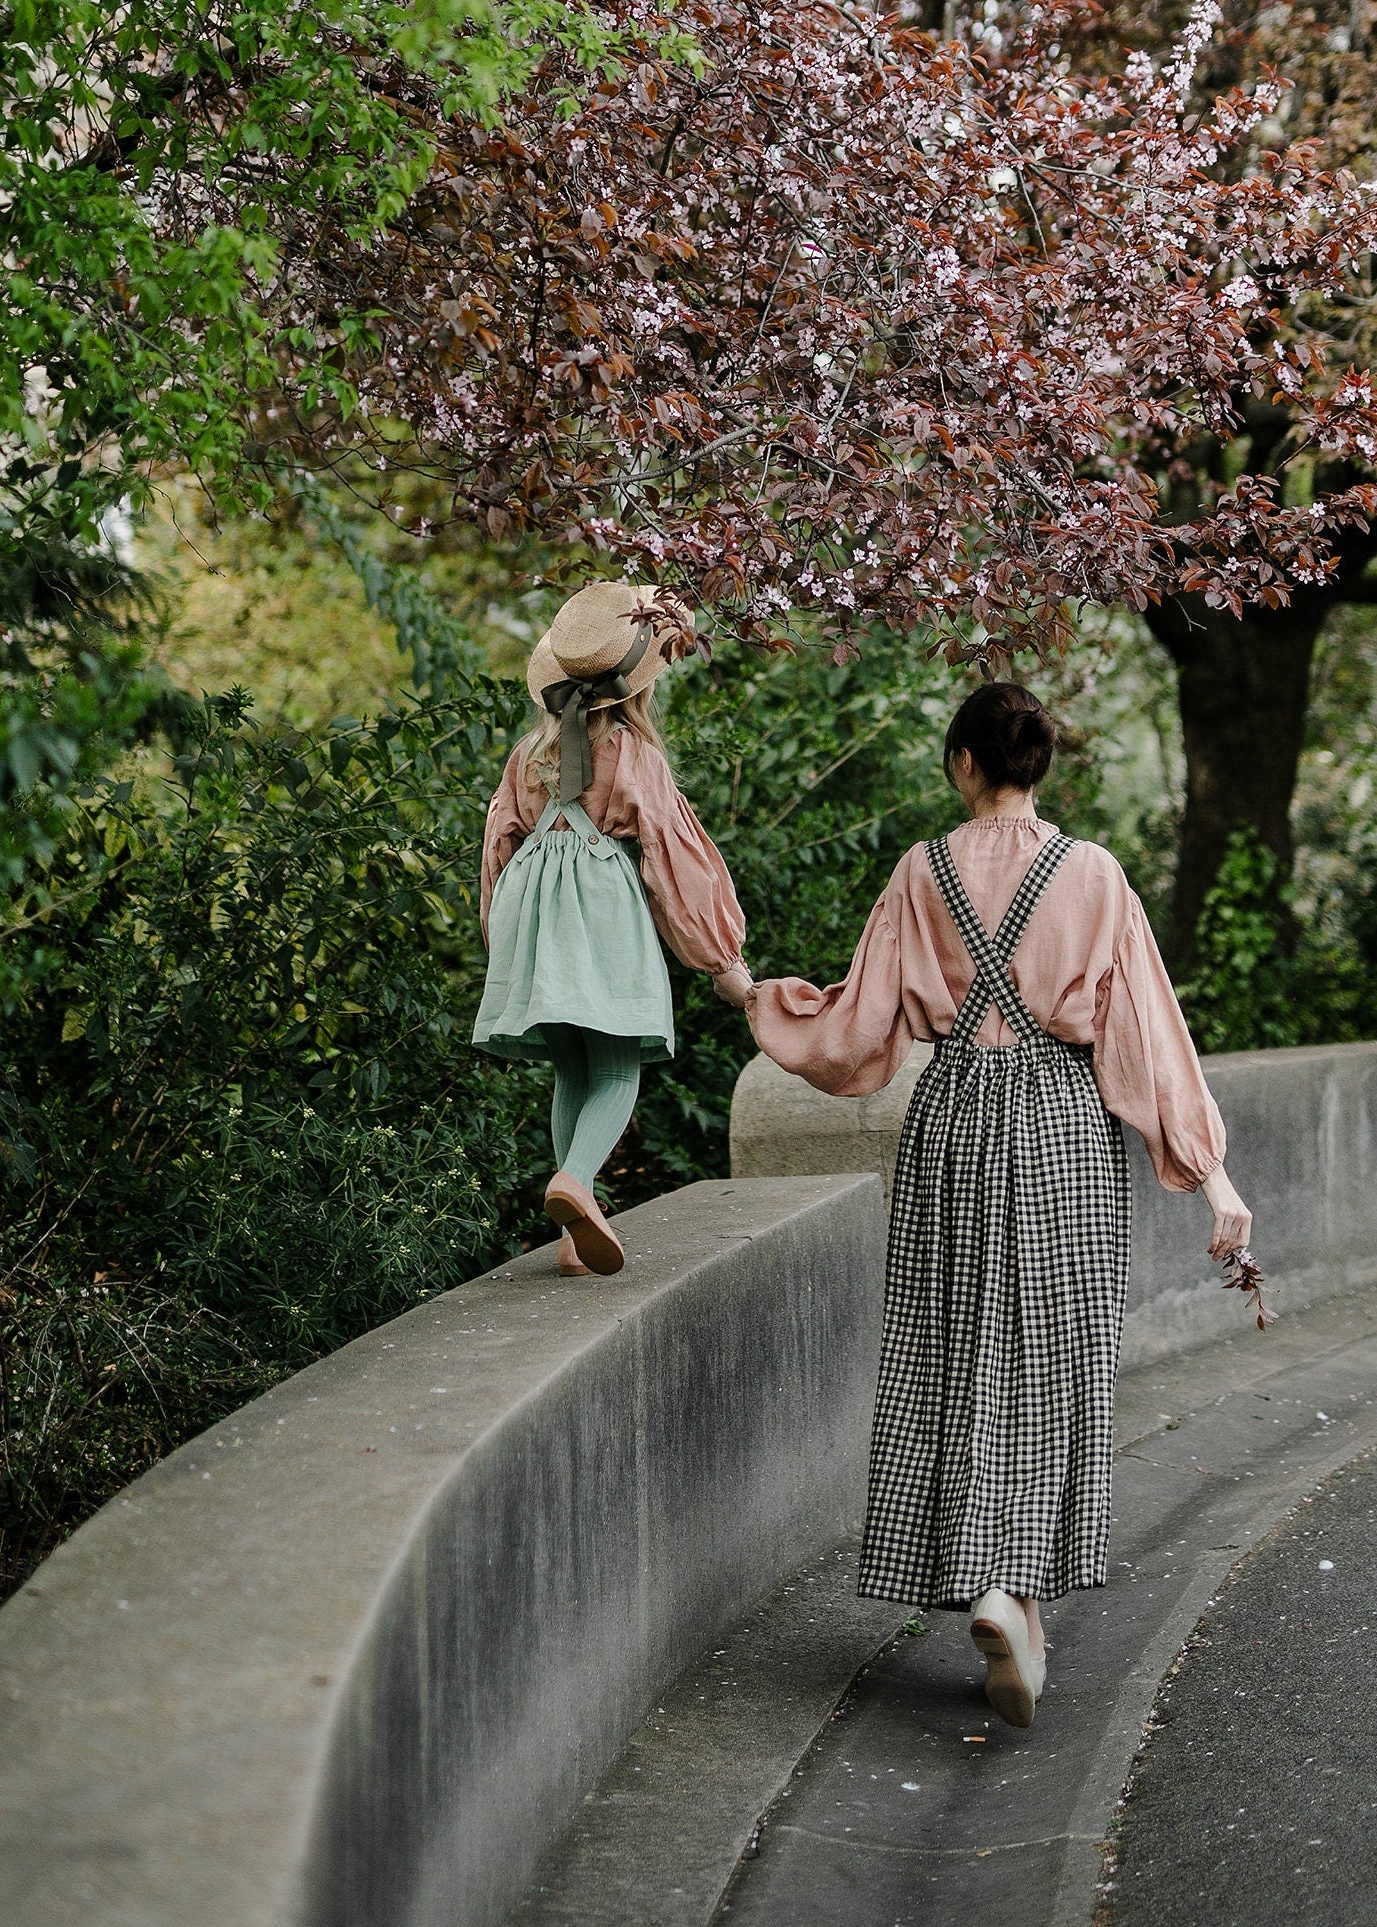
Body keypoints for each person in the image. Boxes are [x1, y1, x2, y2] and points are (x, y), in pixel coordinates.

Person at [714, 680, 1252, 1729]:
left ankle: (995, 1591)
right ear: (1035, 766)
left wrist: (754, 997)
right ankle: (1019, 1594)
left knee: (954, 1347)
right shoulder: (1092, 875)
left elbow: (853, 1029)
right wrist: (1209, 1174)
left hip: (954, 1115)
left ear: (963, 764)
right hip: (1061, 1124)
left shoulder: (920, 872)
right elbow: (1142, 1034)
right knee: (1052, 1353)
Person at [477, 581, 750, 1276]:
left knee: (572, 1066)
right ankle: (574, 1182)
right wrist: (720, 959)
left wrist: (501, 943)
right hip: (599, 910)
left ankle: (572, 1235)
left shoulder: (524, 758)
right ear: (636, 689)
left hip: (531, 914)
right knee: (619, 1065)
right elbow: (672, 858)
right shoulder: (633, 756)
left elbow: (498, 855)